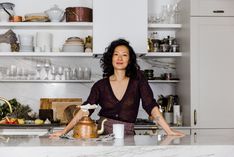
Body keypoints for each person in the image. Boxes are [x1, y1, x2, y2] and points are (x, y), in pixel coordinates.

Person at [49, 39, 184, 138]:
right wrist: (64, 131)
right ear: (111, 58)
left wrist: (169, 131)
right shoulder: (100, 85)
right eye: (116, 54)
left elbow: (151, 106)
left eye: (124, 55)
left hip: (128, 135)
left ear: (129, 60)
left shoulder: (138, 80)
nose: (120, 58)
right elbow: (85, 110)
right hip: (101, 135)